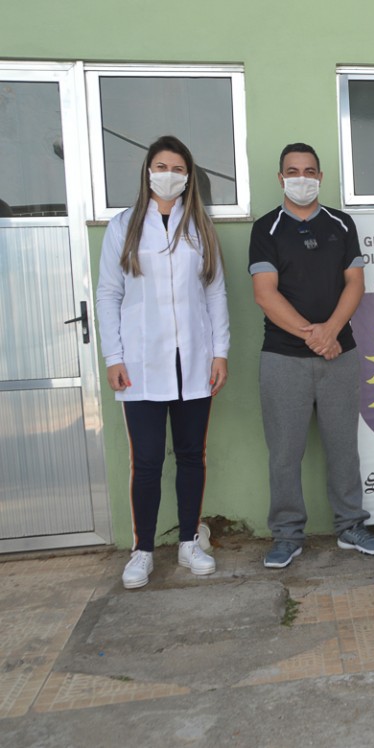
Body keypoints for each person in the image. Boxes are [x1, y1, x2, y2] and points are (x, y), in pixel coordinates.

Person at [96, 135, 229, 589]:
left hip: (192, 361)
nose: (167, 174)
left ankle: (190, 542)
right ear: (147, 172)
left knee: (192, 455)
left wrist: (220, 352)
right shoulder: (125, 225)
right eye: (160, 166)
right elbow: (109, 294)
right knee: (148, 461)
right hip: (141, 363)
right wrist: (113, 355)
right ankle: (143, 550)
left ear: (188, 175)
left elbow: (215, 293)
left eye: (176, 167)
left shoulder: (200, 226)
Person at [249, 142, 374, 568]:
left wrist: (331, 333)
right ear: (280, 178)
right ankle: (288, 535)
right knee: (285, 452)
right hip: (283, 359)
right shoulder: (265, 229)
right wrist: (314, 335)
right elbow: (265, 294)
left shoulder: (341, 225)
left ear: (321, 177)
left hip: (340, 356)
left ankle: (350, 527)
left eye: (310, 171)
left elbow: (355, 284)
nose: (302, 178)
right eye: (293, 171)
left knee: (344, 447)